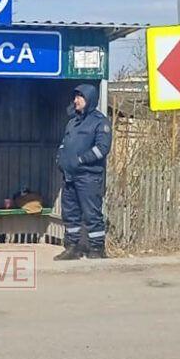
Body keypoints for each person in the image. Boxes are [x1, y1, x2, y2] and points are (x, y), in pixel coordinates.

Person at [55, 84, 112, 260]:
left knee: (91, 213)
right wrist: (60, 159)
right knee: (70, 213)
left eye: (80, 97)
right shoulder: (73, 122)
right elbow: (65, 144)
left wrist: (81, 160)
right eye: (75, 97)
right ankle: (73, 247)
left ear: (90, 99)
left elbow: (102, 148)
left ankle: (97, 249)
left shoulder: (100, 122)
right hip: (70, 176)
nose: (76, 101)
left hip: (89, 176)